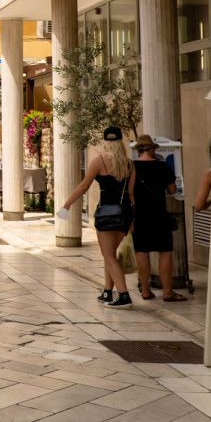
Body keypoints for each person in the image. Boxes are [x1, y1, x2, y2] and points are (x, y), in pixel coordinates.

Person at [59, 127, 136, 309]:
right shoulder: (130, 164)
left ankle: (124, 295)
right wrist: (133, 219)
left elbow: (84, 186)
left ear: (106, 141)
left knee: (108, 256)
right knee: (110, 254)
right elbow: (131, 194)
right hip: (124, 214)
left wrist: (67, 204)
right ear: (120, 142)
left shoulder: (99, 160)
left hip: (106, 214)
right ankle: (107, 291)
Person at [132, 134, 186, 302]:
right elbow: (172, 190)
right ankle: (167, 292)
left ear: (138, 150)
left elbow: (129, 192)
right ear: (152, 149)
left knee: (142, 251)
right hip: (159, 214)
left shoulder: (132, 167)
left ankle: (145, 291)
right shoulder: (162, 166)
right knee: (165, 251)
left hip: (139, 216)